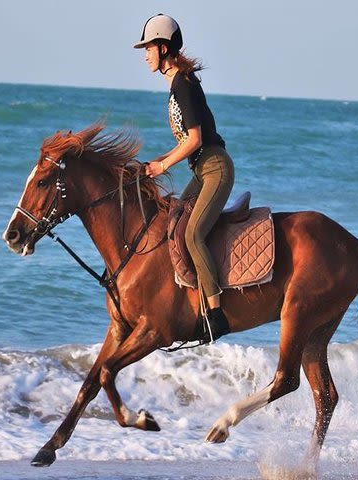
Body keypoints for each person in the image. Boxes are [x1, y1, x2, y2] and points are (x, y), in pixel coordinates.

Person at [135, 14, 234, 343]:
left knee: (192, 234)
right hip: (202, 169)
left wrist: (162, 168)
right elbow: (185, 145)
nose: (146, 54)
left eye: (149, 48)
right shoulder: (178, 84)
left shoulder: (184, 84)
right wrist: (156, 161)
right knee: (174, 219)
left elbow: (194, 139)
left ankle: (216, 314)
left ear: (163, 48)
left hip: (215, 170)